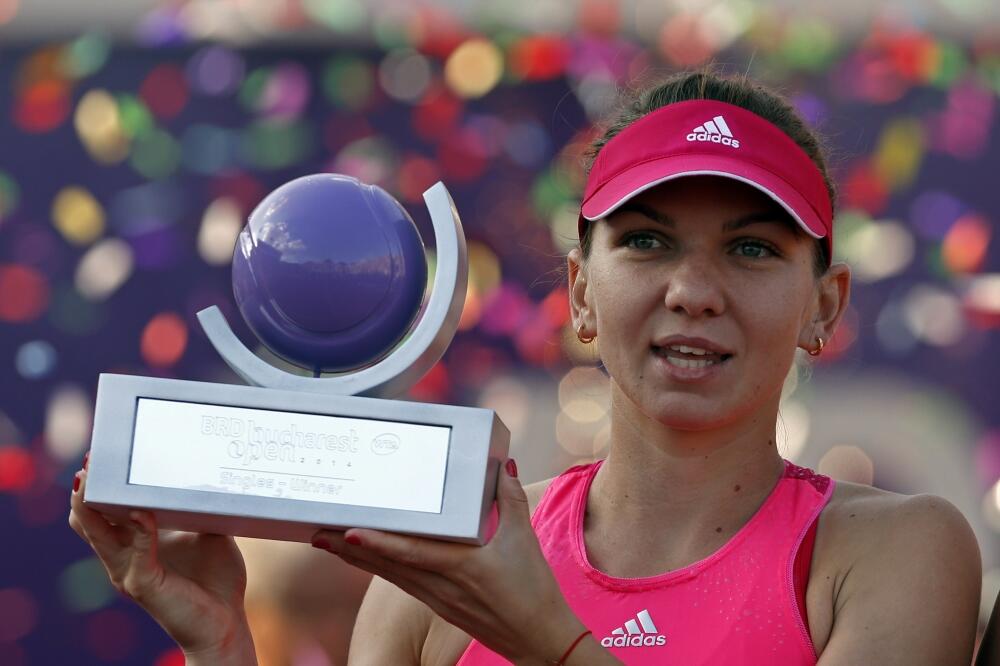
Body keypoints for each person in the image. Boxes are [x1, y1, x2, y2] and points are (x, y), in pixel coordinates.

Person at [68, 69, 982, 665]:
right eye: (649, 241)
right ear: (582, 293)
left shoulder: (894, 554)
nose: (694, 290)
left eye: (750, 251)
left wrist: (543, 637)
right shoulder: (433, 578)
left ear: (825, 303)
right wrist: (223, 645)